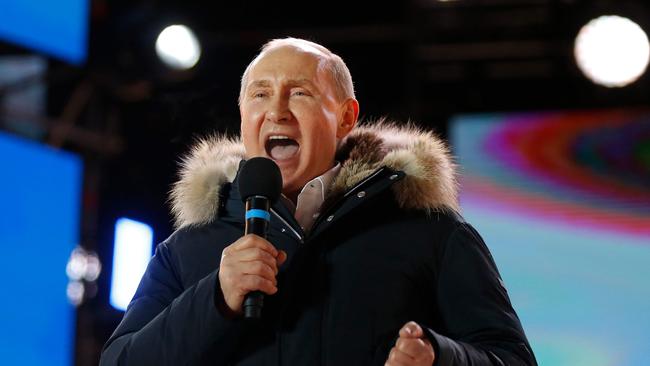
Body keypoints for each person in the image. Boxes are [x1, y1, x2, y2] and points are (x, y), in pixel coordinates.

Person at [100, 37, 537, 366]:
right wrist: (216, 296)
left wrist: (439, 358)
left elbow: (512, 359)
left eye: (300, 92)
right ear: (243, 115)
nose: (277, 111)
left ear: (346, 116)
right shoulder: (187, 249)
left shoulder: (432, 234)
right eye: (260, 94)